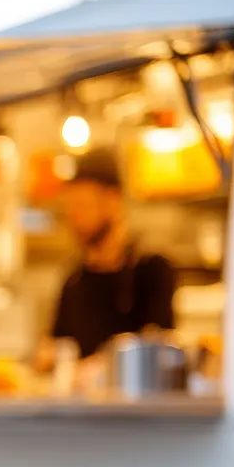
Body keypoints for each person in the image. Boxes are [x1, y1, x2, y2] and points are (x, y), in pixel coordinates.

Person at [34, 149, 178, 376]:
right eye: (70, 207)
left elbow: (158, 345)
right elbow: (54, 345)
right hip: (82, 399)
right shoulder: (74, 281)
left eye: (82, 205)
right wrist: (48, 356)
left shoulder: (151, 270)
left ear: (113, 201)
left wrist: (100, 366)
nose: (74, 216)